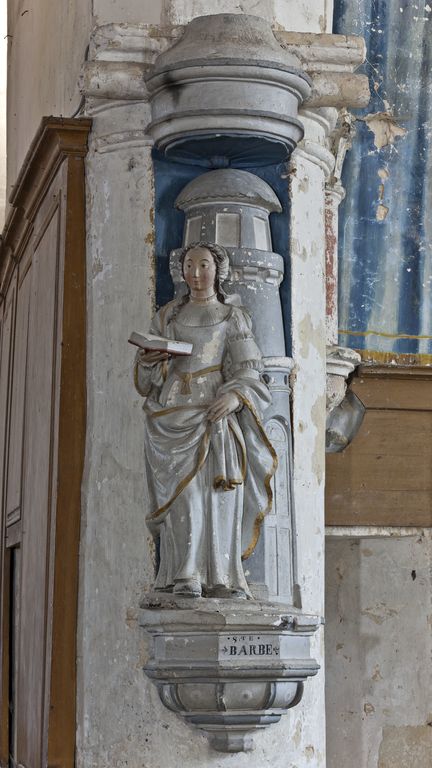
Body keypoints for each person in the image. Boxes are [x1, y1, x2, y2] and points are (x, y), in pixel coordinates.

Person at [134, 242, 277, 598]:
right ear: (181, 272)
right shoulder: (167, 317)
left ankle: (219, 576)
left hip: (213, 414)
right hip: (171, 414)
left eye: (204, 265)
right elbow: (145, 380)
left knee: (213, 495)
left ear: (218, 270)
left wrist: (235, 395)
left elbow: (250, 368)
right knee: (183, 495)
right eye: (189, 266)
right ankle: (185, 571)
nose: (196, 274)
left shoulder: (232, 317)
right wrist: (150, 360)